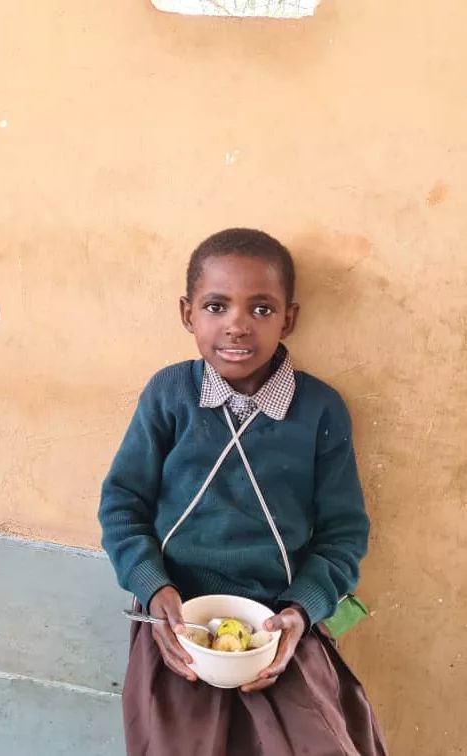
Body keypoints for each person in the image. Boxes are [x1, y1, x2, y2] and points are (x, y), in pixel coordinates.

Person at [98, 229, 387, 755]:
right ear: (188, 314)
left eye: (260, 308)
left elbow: (344, 535)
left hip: (280, 620)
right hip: (178, 618)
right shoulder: (170, 395)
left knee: (321, 741)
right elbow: (122, 507)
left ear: (289, 318)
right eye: (216, 306)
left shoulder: (320, 409)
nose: (236, 324)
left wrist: (301, 613)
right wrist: (154, 588)